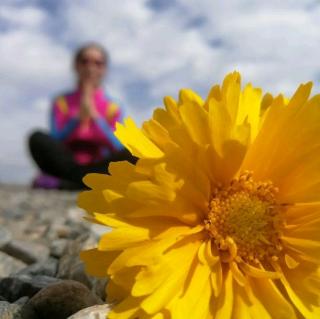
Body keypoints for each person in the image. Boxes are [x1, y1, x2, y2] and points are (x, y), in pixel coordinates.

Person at [28, 43, 137, 190]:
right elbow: (56, 139)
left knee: (134, 151)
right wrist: (76, 119)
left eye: (97, 63)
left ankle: (66, 184)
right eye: (85, 61)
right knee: (37, 138)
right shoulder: (61, 102)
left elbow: (116, 146)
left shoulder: (113, 107)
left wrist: (96, 119)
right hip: (67, 164)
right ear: (76, 66)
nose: (90, 67)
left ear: (104, 69)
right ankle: (87, 184)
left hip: (98, 164)